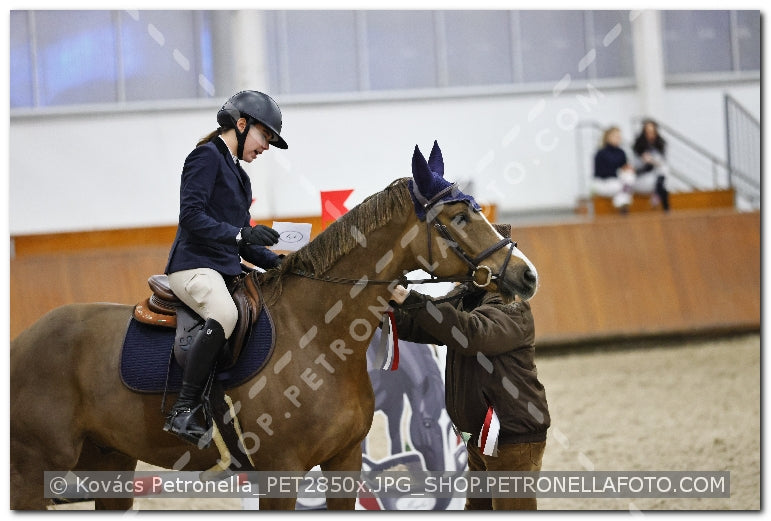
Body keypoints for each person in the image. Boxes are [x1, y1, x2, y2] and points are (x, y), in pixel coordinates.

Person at [388, 225, 550, 510]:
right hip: (481, 436)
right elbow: (422, 324)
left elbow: (469, 333)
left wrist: (410, 299)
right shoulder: (465, 301)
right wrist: (385, 306)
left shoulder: (511, 309)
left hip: (512, 438)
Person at [163, 90, 288, 446]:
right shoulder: (206, 157)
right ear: (242, 123)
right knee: (225, 312)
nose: (265, 147)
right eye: (266, 136)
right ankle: (183, 409)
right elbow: (191, 217)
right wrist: (241, 233)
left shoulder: (241, 176)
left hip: (223, 268)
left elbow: (243, 242)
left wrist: (277, 263)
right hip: (193, 266)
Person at [592, 125, 636, 213]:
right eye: (616, 136)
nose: (618, 138)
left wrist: (627, 169)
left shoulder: (621, 152)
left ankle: (621, 204)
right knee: (621, 186)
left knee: (630, 177)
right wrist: (619, 171)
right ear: (608, 137)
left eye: (619, 136)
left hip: (618, 180)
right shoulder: (601, 153)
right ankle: (622, 205)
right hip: (604, 182)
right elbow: (600, 173)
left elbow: (624, 167)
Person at [632, 118, 670, 211]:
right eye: (648, 132)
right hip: (641, 178)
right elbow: (636, 168)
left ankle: (660, 199)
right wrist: (645, 161)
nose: (651, 135)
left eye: (653, 132)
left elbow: (661, 163)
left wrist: (654, 162)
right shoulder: (638, 147)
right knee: (662, 176)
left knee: (664, 169)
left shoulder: (660, 145)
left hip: (656, 178)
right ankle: (660, 198)